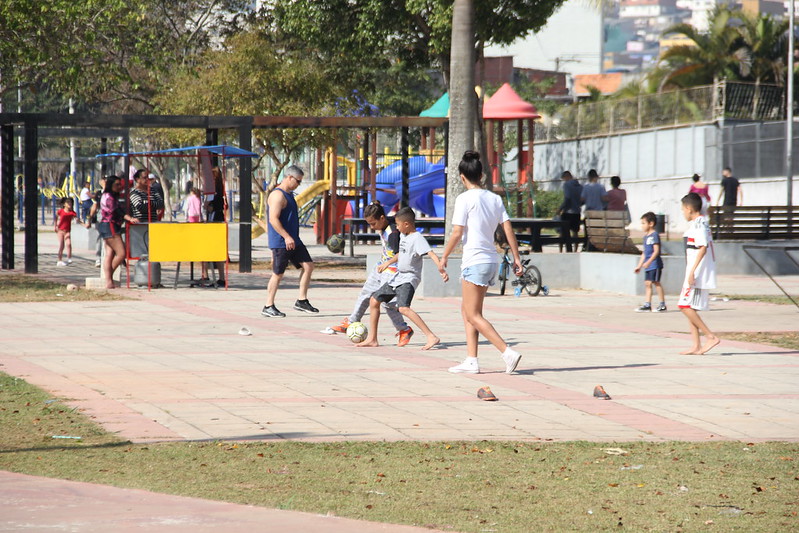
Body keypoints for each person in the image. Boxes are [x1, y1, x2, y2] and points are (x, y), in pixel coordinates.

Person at [439, 151, 523, 375]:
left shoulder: (464, 199)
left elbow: (457, 232)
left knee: (473, 314)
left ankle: (507, 352)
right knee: (468, 310)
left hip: (474, 260)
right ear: (482, 175)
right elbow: (507, 228)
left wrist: (444, 256)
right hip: (490, 261)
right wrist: (516, 257)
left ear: (462, 177)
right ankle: (471, 360)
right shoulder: (494, 198)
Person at [356, 207, 448, 350]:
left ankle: (431, 336)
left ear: (406, 224)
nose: (396, 228)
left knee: (403, 308)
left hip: (409, 279)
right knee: (374, 300)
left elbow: (431, 253)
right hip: (398, 277)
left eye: (398, 225)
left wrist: (440, 268)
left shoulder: (417, 238)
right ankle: (372, 339)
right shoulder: (404, 236)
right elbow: (401, 255)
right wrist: (387, 263)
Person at [330, 202, 414, 346]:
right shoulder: (385, 223)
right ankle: (351, 322)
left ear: (382, 218)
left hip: (392, 271)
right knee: (365, 293)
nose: (372, 227)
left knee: (387, 304)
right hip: (380, 267)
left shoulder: (393, 234)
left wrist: (387, 264)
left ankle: (404, 329)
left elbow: (401, 254)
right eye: (369, 223)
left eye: (373, 223)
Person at [262, 165, 318, 317]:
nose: (299, 184)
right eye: (298, 181)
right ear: (289, 178)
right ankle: (268, 305)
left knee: (308, 266)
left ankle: (301, 300)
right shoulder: (277, 196)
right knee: (278, 273)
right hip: (282, 241)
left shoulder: (289, 195)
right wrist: (286, 236)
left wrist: (291, 237)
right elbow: (273, 219)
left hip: (294, 240)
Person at [678, 192, 719, 355]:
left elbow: (703, 247)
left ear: (689, 209)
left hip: (697, 272)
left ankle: (710, 337)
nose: (682, 213)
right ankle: (695, 344)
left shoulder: (698, 225)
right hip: (694, 270)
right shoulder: (701, 222)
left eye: (682, 210)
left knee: (683, 305)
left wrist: (692, 271)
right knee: (691, 307)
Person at [99, 176, 139, 289]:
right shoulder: (109, 197)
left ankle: (108, 281)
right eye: (116, 184)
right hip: (110, 225)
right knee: (121, 253)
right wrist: (129, 218)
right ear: (110, 185)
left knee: (110, 254)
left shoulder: (107, 195)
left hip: (107, 225)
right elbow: (117, 211)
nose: (119, 187)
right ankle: (108, 278)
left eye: (119, 184)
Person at [634, 212, 666, 312]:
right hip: (648, 265)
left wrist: (649, 262)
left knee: (656, 283)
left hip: (655, 264)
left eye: (643, 223)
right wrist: (639, 266)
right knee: (647, 283)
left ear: (651, 224)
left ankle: (662, 304)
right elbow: (644, 253)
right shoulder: (645, 237)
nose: (642, 226)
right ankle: (647, 304)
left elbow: (656, 251)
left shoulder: (654, 235)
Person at [203, 167, 226, 285]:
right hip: (217, 219)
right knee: (214, 250)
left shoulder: (214, 192)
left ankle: (214, 276)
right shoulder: (219, 190)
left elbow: (210, 207)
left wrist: (206, 204)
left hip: (215, 221)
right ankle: (209, 275)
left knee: (212, 249)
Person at [557, 170, 583, 251]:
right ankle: (575, 250)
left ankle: (561, 250)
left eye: (564, 179)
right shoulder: (580, 186)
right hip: (577, 212)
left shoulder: (567, 185)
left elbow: (567, 198)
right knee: (575, 232)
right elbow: (583, 200)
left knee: (563, 232)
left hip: (568, 212)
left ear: (566, 177)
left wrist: (560, 209)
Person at [85, 176, 107, 267]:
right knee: (100, 238)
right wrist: (89, 219)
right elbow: (94, 206)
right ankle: (99, 258)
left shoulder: (112, 192)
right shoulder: (99, 193)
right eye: (103, 180)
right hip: (101, 218)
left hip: (111, 218)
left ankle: (107, 258)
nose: (105, 181)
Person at [54, 197, 78, 266]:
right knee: (62, 245)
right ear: (64, 204)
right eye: (68, 203)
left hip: (67, 231)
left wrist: (85, 225)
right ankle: (59, 260)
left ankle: (69, 258)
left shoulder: (72, 213)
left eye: (71, 203)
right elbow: (55, 217)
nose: (70, 204)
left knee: (69, 244)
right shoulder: (61, 211)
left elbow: (77, 219)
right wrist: (55, 226)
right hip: (60, 230)